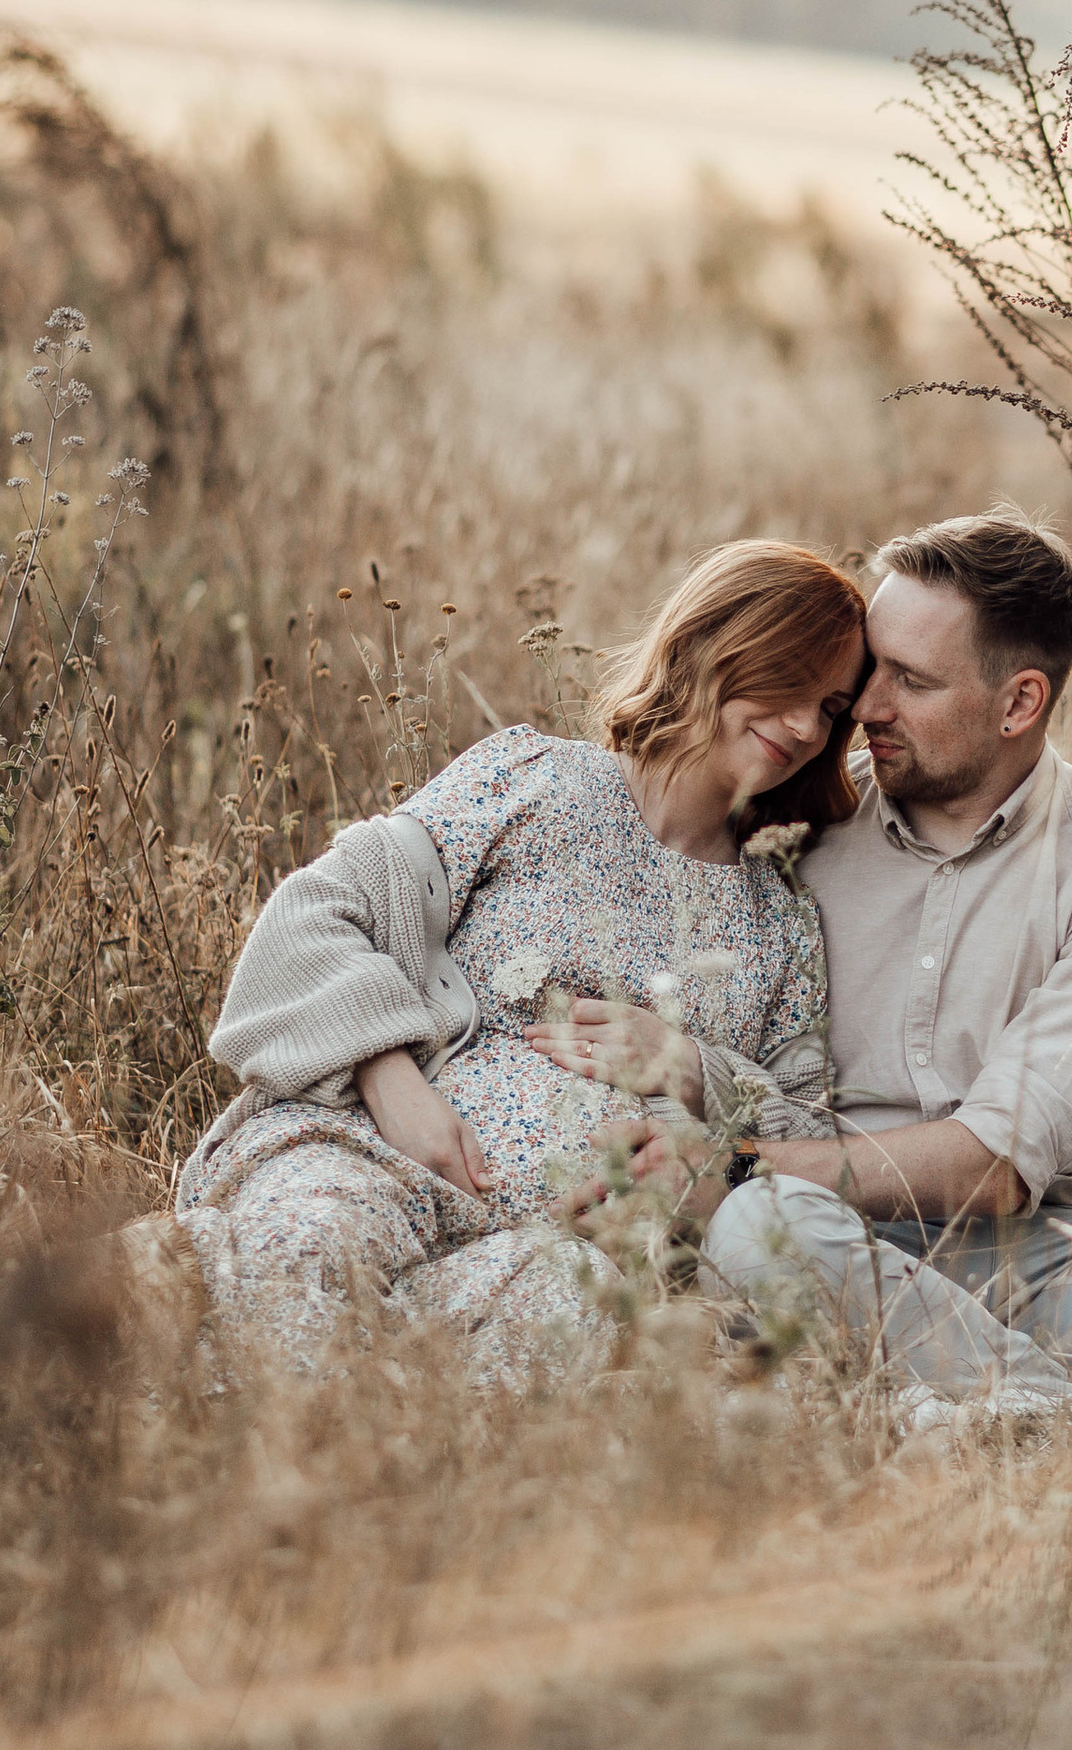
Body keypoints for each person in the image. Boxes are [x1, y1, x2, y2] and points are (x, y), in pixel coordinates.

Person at [532, 511, 1072, 1445]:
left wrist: (735, 1165)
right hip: (820, 1245)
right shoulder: (796, 813)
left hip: (1052, 1264)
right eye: (873, 670)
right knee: (757, 1229)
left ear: (1019, 703)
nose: (866, 708)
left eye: (912, 680)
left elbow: (992, 1169)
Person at [176, 540, 865, 1377]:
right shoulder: (534, 781)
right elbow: (318, 910)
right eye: (788, 681)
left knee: (527, 1351)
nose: (803, 726)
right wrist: (392, 1086)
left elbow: (810, 1138)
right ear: (710, 645)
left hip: (566, 1258)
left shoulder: (779, 918)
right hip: (377, 1158)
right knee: (309, 1259)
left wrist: (692, 1071)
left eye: (830, 707)